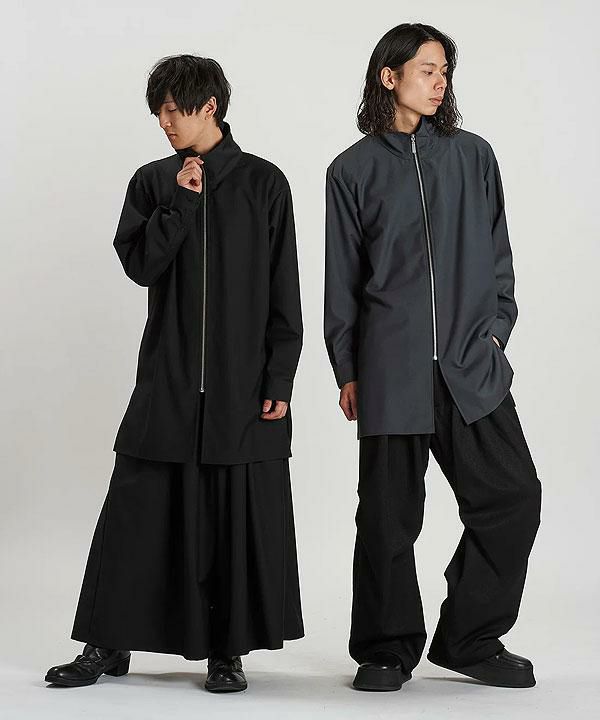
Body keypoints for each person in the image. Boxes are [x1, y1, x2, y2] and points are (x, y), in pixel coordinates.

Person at [45, 54, 304, 693]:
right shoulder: (153, 182)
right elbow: (141, 267)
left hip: (242, 387)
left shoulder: (264, 182)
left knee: (232, 515)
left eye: (171, 110)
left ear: (207, 106)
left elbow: (284, 290)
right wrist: (181, 205)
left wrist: (279, 378)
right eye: (158, 112)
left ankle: (226, 651)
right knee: (136, 513)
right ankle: (107, 645)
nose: (163, 123)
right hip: (167, 380)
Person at [324, 23, 542, 692]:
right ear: (388, 76)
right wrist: (348, 368)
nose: (440, 81)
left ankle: (469, 639)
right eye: (427, 69)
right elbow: (342, 280)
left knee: (513, 496)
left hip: (470, 366)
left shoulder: (474, 156)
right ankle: (385, 650)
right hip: (391, 370)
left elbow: (499, 253)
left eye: (444, 70)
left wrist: (496, 332)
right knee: (386, 520)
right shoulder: (352, 170)